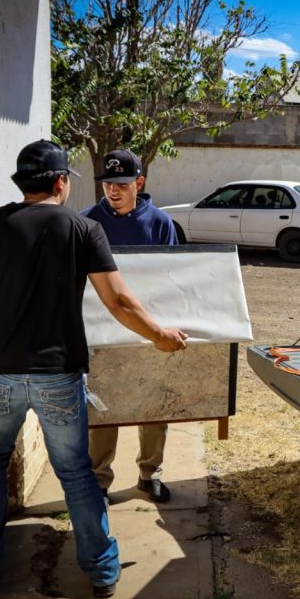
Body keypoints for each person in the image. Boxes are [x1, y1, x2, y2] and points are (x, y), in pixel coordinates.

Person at [0, 140, 188, 599]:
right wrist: (158, 335)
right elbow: (118, 300)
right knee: (75, 471)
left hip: (1, 373)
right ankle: (101, 571)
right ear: (60, 182)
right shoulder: (83, 228)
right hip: (59, 372)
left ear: (23, 184)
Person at [81, 149, 178, 504]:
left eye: (121, 183)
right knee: (104, 407)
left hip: (148, 329)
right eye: (108, 184)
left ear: (139, 182)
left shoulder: (161, 223)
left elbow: (170, 279)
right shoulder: (87, 221)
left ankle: (150, 474)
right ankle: (99, 480)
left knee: (154, 404)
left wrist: (161, 328)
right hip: (101, 330)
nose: (113, 190)